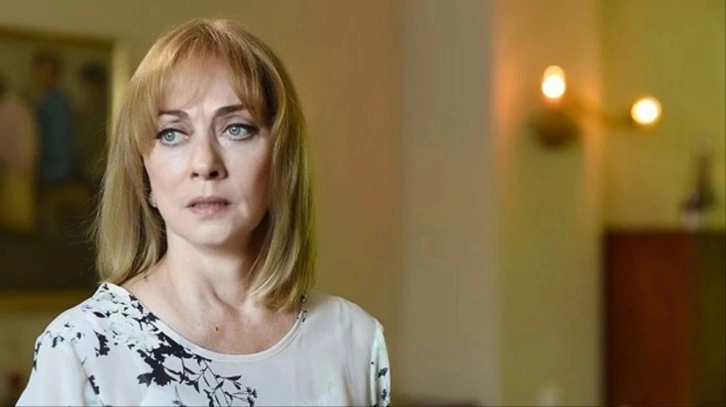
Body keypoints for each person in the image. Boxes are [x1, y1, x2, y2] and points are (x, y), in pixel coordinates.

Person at [16, 19, 391, 406]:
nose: (205, 164)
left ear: (282, 159)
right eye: (172, 133)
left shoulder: (354, 342)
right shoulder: (80, 351)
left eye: (237, 128)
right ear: (144, 174)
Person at [0, 74, 39, 233]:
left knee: (16, 201)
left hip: (16, 161)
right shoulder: (16, 105)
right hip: (25, 159)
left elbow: (4, 140)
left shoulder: (6, 109)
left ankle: (16, 227)